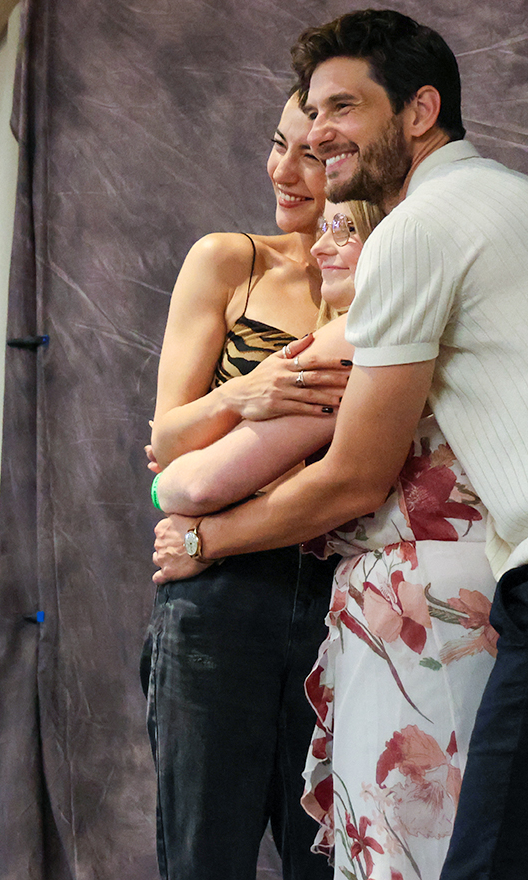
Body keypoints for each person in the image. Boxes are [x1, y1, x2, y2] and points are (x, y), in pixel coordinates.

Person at [153, 10, 528, 880]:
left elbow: (353, 478)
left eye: (343, 109)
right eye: (312, 113)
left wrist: (209, 538)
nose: (318, 136)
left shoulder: (418, 231)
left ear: (421, 109)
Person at [153, 200, 499, 880]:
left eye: (346, 229)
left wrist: (194, 530)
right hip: (470, 607)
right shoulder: (447, 320)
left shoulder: (368, 332)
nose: (319, 245)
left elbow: (185, 481)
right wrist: (234, 402)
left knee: (401, 845)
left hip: (413, 615)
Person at [143, 94, 347, 880]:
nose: (283, 172)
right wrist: (243, 393)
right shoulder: (233, 260)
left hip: (343, 597)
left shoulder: (381, 282)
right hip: (219, 595)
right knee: (204, 859)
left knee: (328, 860)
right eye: (278, 145)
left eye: (313, 157)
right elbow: (166, 445)